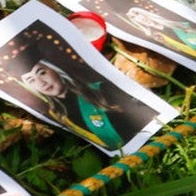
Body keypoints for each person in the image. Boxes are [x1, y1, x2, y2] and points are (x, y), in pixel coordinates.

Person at [9, 52, 146, 152]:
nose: (41, 82)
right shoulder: (57, 115)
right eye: (31, 80)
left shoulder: (101, 89)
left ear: (55, 70)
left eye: (42, 73)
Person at [121, 3, 196, 62]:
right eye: (136, 19)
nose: (142, 19)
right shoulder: (154, 37)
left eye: (141, 15)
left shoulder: (176, 23)